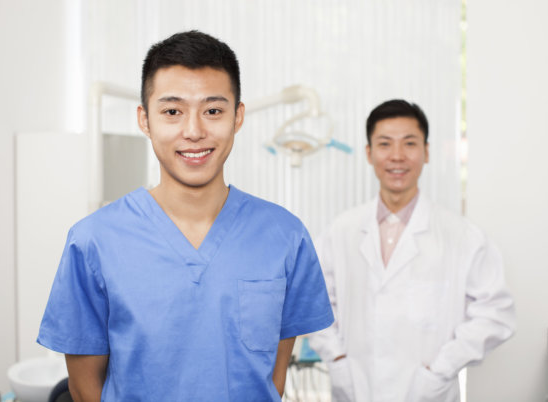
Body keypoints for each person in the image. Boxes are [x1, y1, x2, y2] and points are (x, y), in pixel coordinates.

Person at [37, 30, 334, 401]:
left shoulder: (285, 236)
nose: (194, 131)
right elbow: (84, 388)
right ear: (144, 120)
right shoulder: (94, 241)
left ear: (238, 117)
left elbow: (271, 381)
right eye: (172, 111)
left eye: (213, 111)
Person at [308, 99, 515, 402]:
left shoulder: (463, 236)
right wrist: (337, 360)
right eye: (384, 144)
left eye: (409, 144)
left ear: (427, 152)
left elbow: (496, 315)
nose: (397, 157)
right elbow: (316, 303)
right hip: (356, 389)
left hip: (428, 392)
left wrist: (441, 368)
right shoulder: (341, 230)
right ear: (369, 153)